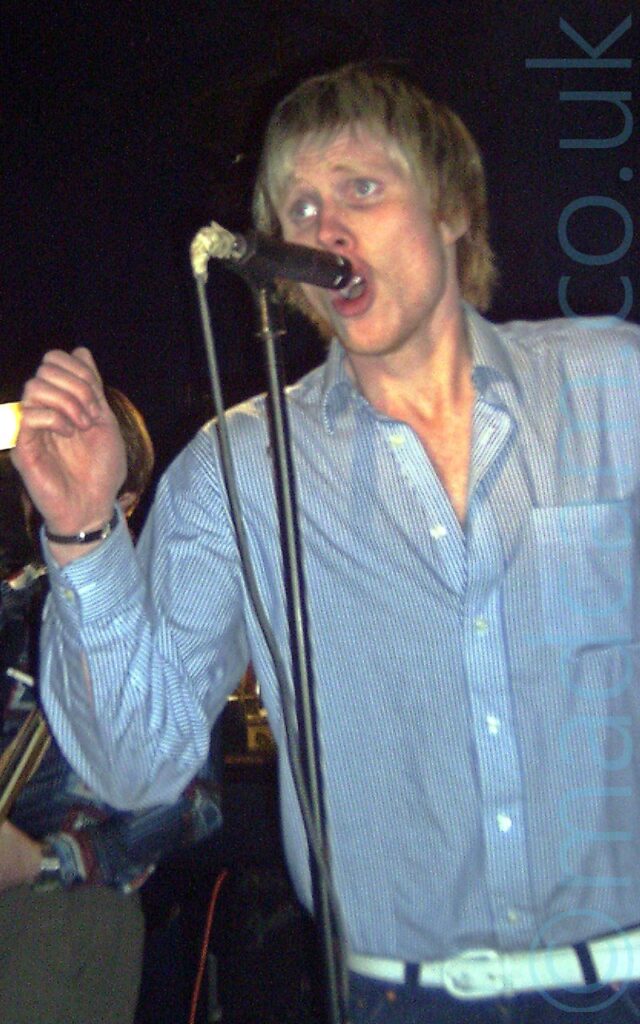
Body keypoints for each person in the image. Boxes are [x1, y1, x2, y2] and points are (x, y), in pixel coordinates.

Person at [11, 61, 640, 1023]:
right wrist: (83, 530)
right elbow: (136, 763)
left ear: (451, 209)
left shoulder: (613, 388)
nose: (324, 229)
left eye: (362, 189)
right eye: (299, 209)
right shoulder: (242, 466)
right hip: (399, 998)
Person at [0, 387, 222, 1024]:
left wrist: (46, 859)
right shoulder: (17, 598)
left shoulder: (163, 610)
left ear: (126, 495)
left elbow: (195, 803)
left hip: (64, 914)